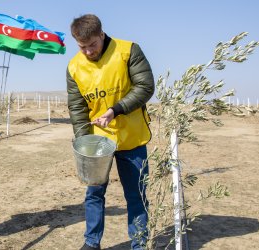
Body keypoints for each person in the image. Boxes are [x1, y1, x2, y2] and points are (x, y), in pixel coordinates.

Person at [67, 14, 155, 250]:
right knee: (93, 194)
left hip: (132, 138)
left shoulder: (128, 51)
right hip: (98, 143)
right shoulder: (74, 67)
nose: (88, 51)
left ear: (101, 34)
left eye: (92, 45)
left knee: (136, 195)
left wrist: (116, 110)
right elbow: (77, 108)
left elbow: (146, 86)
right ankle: (91, 242)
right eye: (82, 47)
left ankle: (139, 244)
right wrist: (83, 142)